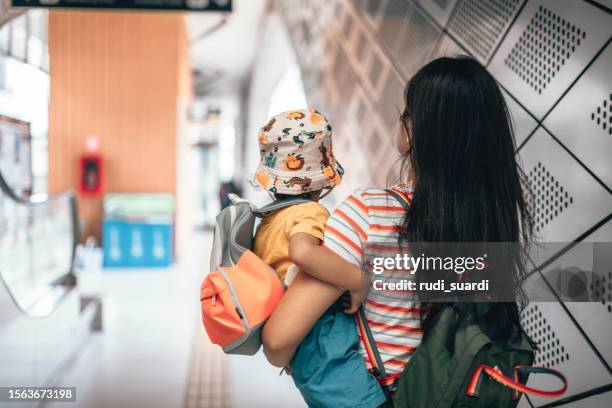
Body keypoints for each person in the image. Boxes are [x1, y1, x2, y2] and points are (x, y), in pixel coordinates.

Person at [262, 56, 533, 407]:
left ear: (414, 132)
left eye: (407, 112)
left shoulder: (370, 213)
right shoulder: (492, 232)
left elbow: (278, 340)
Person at [251, 109, 385, 407]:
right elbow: (302, 252)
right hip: (323, 335)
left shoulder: (268, 223)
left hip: (300, 342)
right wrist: (357, 280)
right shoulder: (309, 212)